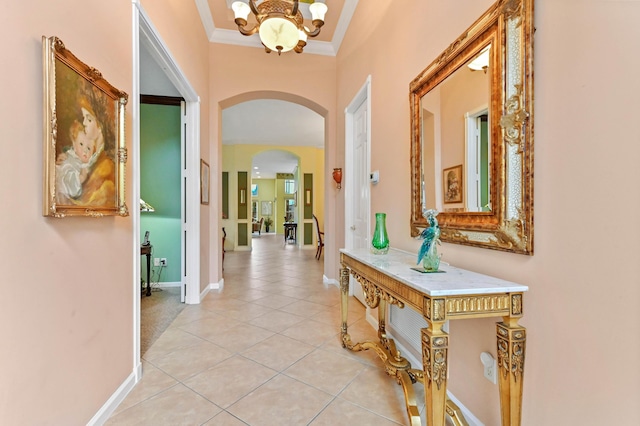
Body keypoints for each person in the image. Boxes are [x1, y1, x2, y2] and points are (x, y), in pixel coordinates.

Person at [74, 95, 116, 207]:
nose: (84, 123)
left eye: (89, 119)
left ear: (100, 126)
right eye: (84, 118)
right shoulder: (90, 157)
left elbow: (88, 203)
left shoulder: (105, 165)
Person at [55, 120, 97, 204]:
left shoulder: (84, 165)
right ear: (74, 144)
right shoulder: (70, 155)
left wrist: (81, 177)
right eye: (81, 144)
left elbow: (79, 180)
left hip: (66, 187)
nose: (85, 150)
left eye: (88, 148)